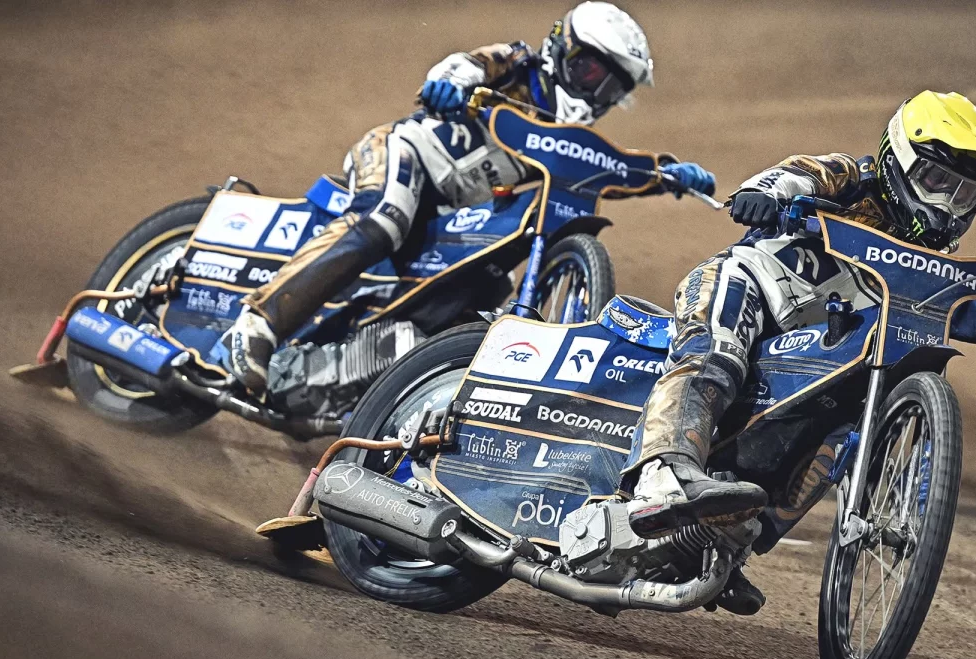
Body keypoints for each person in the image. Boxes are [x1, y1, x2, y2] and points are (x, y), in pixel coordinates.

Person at [625, 90, 976, 542]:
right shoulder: (852, 177)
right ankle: (662, 474)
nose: (946, 204)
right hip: (751, 283)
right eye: (937, 181)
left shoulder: (932, 269)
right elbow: (795, 174)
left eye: (965, 194)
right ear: (898, 159)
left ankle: (726, 546)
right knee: (715, 353)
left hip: (816, 344)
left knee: (847, 421)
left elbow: (971, 317)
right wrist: (761, 194)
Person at [220, 1, 716, 393]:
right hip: (404, 152)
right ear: (562, 49)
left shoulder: (567, 140)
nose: (595, 90)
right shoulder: (520, 64)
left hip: (448, 211)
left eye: (609, 87)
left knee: (482, 287)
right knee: (385, 217)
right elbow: (467, 64)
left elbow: (600, 174)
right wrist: (447, 84)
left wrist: (665, 174)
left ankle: (358, 385)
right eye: (590, 72)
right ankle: (258, 323)